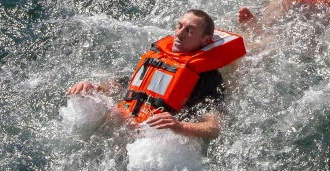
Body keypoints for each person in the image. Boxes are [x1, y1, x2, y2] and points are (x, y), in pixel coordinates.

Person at [66, 10, 245, 141]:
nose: (179, 34)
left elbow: (214, 128)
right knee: (115, 114)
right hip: (133, 127)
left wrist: (179, 126)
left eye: (189, 31)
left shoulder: (209, 78)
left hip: (163, 135)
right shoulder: (159, 58)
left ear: (205, 40)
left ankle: (256, 33)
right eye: (179, 26)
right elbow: (122, 84)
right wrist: (93, 88)